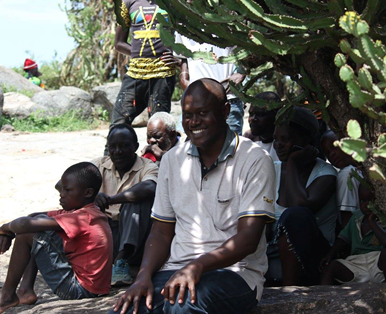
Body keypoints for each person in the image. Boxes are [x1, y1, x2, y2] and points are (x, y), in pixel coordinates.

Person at [110, 78, 276, 314]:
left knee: (182, 307)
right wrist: (143, 276)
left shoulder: (255, 159)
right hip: (174, 270)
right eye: (188, 115)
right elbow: (160, 231)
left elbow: (248, 238)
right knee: (126, 309)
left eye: (202, 113)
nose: (194, 122)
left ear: (225, 111)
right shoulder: (171, 160)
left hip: (236, 273)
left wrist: (197, 266)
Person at [0, 162, 113, 314]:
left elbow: (24, 224)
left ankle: (7, 295)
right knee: (38, 227)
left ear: (87, 193)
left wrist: (3, 229)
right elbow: (33, 217)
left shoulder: (83, 217)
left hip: (78, 290)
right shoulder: (84, 212)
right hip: (90, 287)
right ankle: (25, 290)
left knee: (29, 234)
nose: (61, 194)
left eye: (67, 190)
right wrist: (10, 230)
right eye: (62, 189)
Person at [268, 106, 337, 286]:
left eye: (285, 139)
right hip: (270, 255)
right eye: (276, 140)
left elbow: (300, 205)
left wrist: (292, 163)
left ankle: (290, 292)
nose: (278, 146)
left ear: (306, 140)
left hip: (311, 260)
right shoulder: (270, 169)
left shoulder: (325, 174)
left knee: (295, 216)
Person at [92, 124, 158, 286]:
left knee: (136, 200)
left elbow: (150, 187)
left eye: (124, 146)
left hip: (137, 239)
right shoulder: (98, 165)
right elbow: (64, 183)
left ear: (135, 147)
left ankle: (122, 260)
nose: (118, 151)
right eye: (113, 147)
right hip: (107, 234)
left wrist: (112, 199)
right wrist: (93, 197)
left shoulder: (147, 166)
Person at [109, 0, 177, 129]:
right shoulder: (128, 3)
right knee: (119, 123)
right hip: (136, 73)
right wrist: (139, 55)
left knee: (159, 127)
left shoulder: (174, 3)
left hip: (163, 73)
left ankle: (156, 150)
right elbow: (118, 43)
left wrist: (178, 58)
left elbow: (188, 33)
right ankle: (113, 149)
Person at [320, 184, 386, 285]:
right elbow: (343, 239)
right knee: (330, 267)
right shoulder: (356, 218)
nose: (367, 205)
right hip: (356, 264)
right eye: (362, 201)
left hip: (378, 263)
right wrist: (330, 255)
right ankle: (324, 298)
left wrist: (372, 222)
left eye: (372, 200)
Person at [175, 33, 246, 135]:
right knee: (189, 146)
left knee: (230, 147)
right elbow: (182, 56)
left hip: (228, 98)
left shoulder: (229, 19)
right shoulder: (182, 24)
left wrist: (241, 72)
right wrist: (184, 77)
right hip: (194, 102)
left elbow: (246, 49)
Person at [321, 130, 362, 229]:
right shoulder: (347, 174)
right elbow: (347, 219)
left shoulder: (358, 170)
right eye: (327, 153)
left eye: (334, 147)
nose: (332, 154)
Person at [246, 91, 281, 161]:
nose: (253, 119)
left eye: (260, 114)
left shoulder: (285, 147)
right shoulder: (249, 143)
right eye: (251, 114)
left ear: (276, 115)